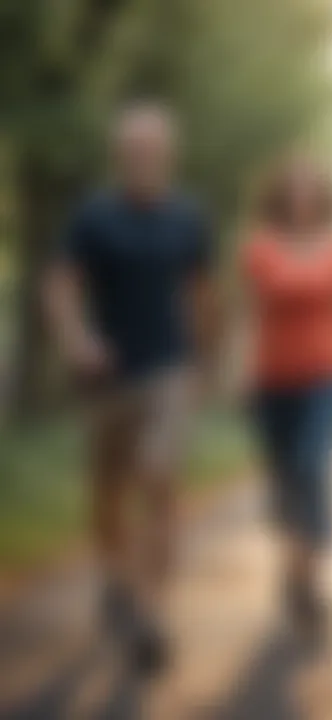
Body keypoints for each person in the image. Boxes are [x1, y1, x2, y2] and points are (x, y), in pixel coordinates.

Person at [45, 102, 217, 674]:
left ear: (170, 154)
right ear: (120, 155)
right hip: (107, 376)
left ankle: (150, 613)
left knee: (159, 478)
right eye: (134, 149)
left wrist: (206, 361)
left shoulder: (190, 217)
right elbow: (61, 286)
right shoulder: (92, 217)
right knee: (108, 496)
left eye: (154, 149)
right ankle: (116, 579)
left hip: (168, 369)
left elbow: (200, 294)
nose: (144, 157)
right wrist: (76, 340)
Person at [236, 155, 332, 636]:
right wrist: (240, 368)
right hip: (272, 377)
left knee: (314, 467)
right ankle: (294, 568)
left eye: (312, 188)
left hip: (327, 376)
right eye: (293, 187)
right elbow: (259, 301)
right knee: (284, 476)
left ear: (325, 196)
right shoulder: (258, 246)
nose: (302, 196)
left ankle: (308, 578)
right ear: (279, 194)